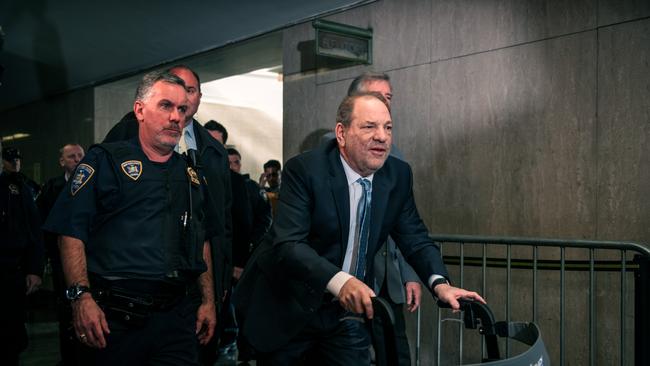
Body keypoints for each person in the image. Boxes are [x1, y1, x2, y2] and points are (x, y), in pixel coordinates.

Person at [234, 92, 485, 365]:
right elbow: (290, 245)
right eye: (369, 126)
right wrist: (343, 282)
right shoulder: (305, 170)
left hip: (341, 315)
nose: (382, 136)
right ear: (341, 133)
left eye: (388, 127)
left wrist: (440, 284)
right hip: (286, 305)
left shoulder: (397, 175)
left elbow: (415, 237)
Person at [43, 70, 217, 365]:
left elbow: (201, 241)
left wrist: (209, 301)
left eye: (182, 109)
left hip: (176, 317)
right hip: (115, 318)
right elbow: (71, 232)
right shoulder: (105, 160)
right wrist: (80, 298)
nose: (176, 117)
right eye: (165, 106)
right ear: (139, 110)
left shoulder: (190, 175)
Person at [103, 65, 233, 324]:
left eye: (191, 90)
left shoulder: (215, 151)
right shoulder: (125, 134)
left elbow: (219, 224)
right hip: (134, 286)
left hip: (197, 280)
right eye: (176, 88)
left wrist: (221, 280)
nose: (183, 97)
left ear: (197, 98)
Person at [348, 72, 420, 365]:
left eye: (389, 98)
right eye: (379, 97)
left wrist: (411, 274)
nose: (386, 103)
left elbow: (406, 224)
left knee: (396, 350)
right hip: (349, 279)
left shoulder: (396, 157)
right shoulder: (330, 155)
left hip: (388, 277)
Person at [37, 143, 85, 366]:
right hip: (60, 260)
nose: (77, 159)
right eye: (71, 156)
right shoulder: (52, 188)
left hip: (88, 260)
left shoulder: (92, 183)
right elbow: (43, 224)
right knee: (66, 309)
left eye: (80, 156)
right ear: (62, 161)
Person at [0, 145, 45, 366]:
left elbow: (33, 230)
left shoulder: (18, 187)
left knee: (10, 336)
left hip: (10, 271)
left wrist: (34, 269)